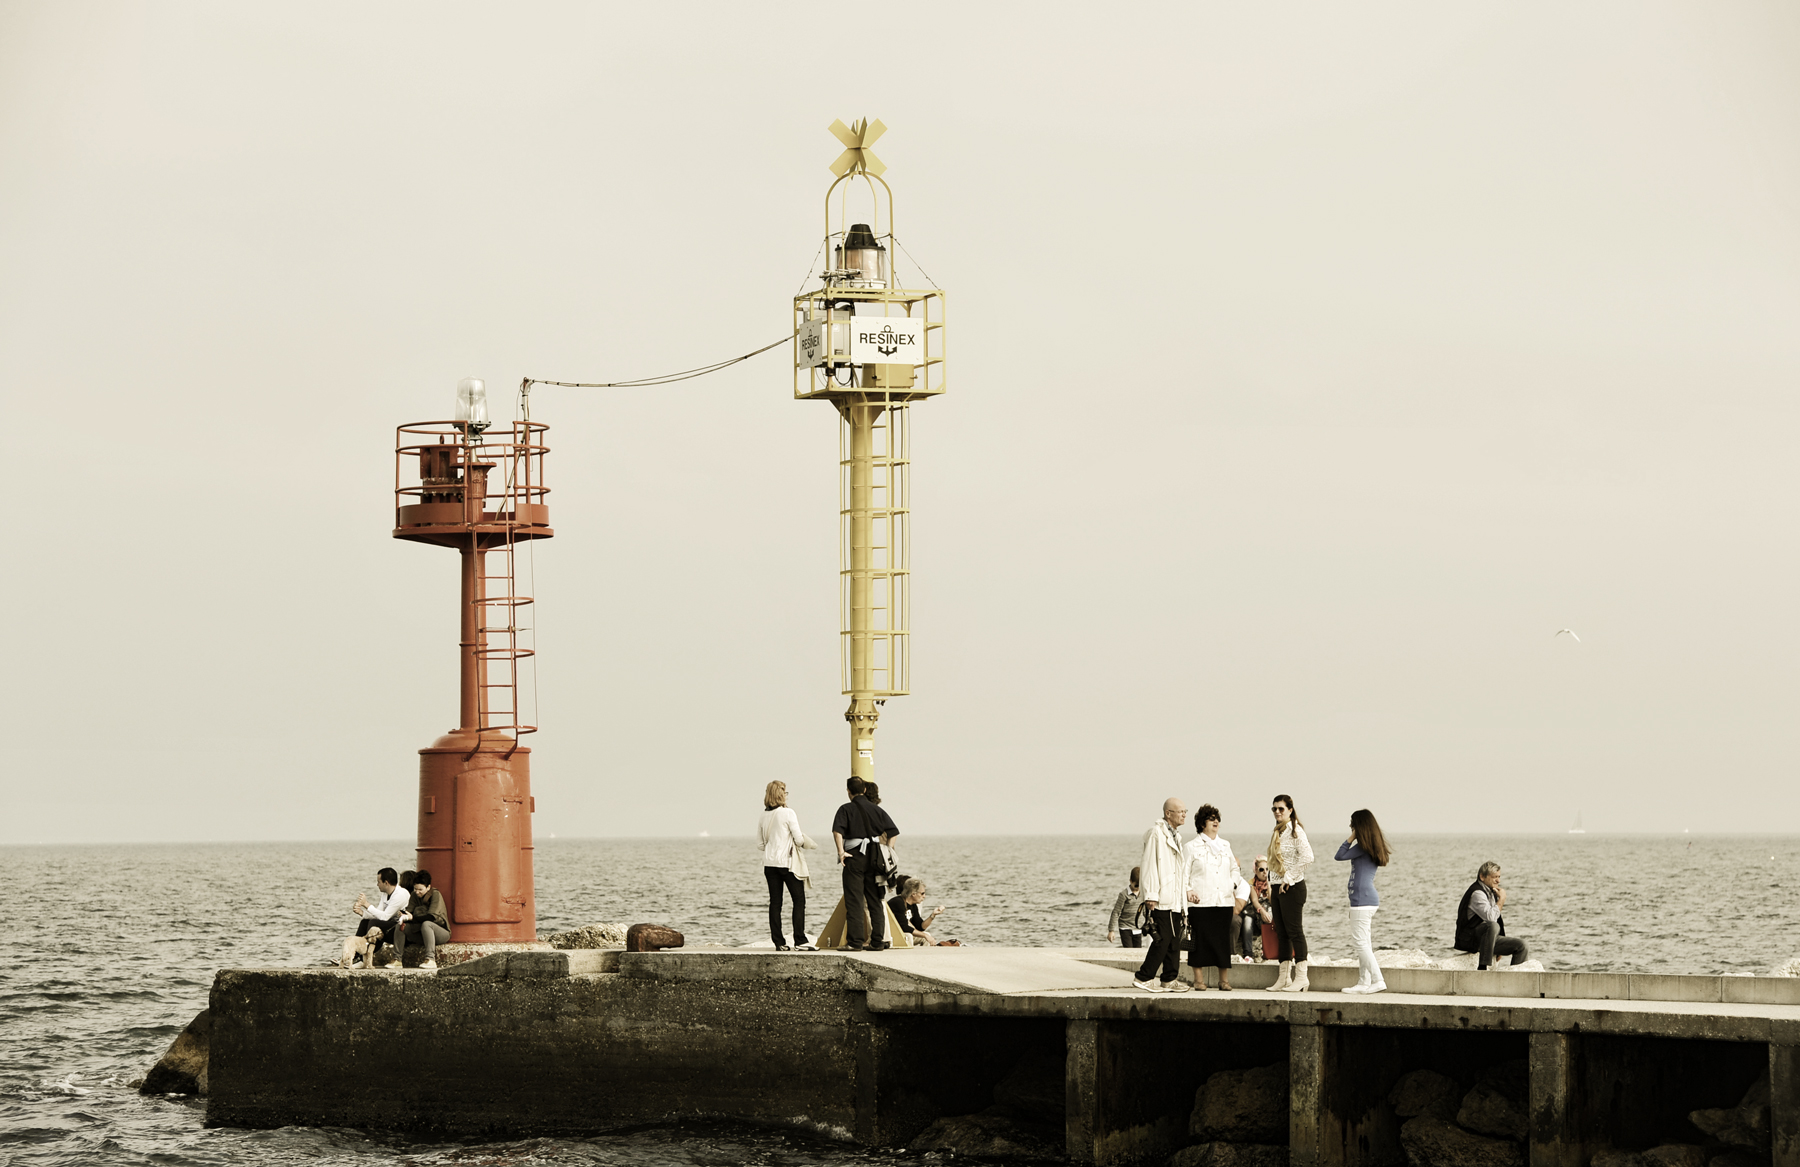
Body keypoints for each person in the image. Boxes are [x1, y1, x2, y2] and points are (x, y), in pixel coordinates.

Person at [1133, 797, 1193, 993]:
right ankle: (1144, 976)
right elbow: (1149, 864)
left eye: (1185, 811)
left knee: (1175, 940)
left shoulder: (1175, 835)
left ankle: (1169, 978)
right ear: (1169, 813)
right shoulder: (1156, 834)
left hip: (1175, 898)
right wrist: (1150, 894)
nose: (1184, 814)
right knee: (1163, 939)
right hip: (1161, 896)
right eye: (1181, 811)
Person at [832, 776, 899, 951]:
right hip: (875, 856)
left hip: (854, 856)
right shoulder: (877, 809)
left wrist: (841, 853)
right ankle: (878, 942)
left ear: (849, 791)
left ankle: (855, 943)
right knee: (875, 899)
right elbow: (893, 831)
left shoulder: (845, 809)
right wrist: (889, 850)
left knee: (854, 900)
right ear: (864, 791)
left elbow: (837, 831)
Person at [1182, 804, 1242, 991]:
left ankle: (1223, 980)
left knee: (1223, 942)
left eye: (1217, 818)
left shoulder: (1225, 845)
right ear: (1202, 823)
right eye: (1211, 818)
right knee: (1199, 942)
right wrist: (1188, 891)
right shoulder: (1191, 847)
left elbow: (1235, 869)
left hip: (1223, 901)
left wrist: (1231, 884)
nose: (1216, 821)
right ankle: (1198, 980)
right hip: (1200, 903)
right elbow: (1183, 875)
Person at [1334, 809, 1392, 994]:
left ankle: (1378, 980)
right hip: (1364, 900)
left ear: (1359, 826)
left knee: (1360, 943)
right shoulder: (1369, 846)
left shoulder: (1362, 847)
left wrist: (1351, 836)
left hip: (1362, 901)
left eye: (1353, 824)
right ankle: (1363, 982)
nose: (1351, 827)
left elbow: (1340, 855)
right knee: (1364, 943)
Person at [759, 780, 818, 951]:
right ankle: (799, 939)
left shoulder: (763, 816)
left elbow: (760, 845)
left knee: (775, 903)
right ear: (781, 794)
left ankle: (779, 942)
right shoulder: (788, 813)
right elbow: (799, 840)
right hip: (787, 864)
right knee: (799, 900)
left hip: (769, 864)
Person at [1263, 794, 1314, 993]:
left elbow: (1308, 857)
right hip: (1276, 888)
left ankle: (1301, 978)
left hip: (1292, 888)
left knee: (1295, 932)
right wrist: (1271, 884)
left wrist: (1288, 878)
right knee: (1282, 934)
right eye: (1274, 809)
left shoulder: (1295, 831)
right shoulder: (1278, 831)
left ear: (1290, 810)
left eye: (1281, 809)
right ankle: (1283, 978)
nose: (1277, 812)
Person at [1455, 861, 1530, 969]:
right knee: (1492, 925)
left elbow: (1498, 919)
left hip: (1487, 939)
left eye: (1499, 876)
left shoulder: (1490, 892)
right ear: (1482, 877)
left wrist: (1501, 946)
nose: (1498, 880)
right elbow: (1491, 918)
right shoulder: (1477, 893)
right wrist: (1502, 899)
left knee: (1522, 945)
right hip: (1470, 939)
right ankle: (1483, 967)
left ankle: (1514, 979)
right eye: (1494, 877)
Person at [346, 867, 410, 969]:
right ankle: (354, 956)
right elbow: (378, 915)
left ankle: (364, 959)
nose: (377, 885)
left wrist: (366, 904)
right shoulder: (385, 894)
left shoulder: (401, 895)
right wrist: (362, 913)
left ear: (386, 883)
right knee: (365, 922)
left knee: (374, 924)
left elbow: (384, 917)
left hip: (401, 931)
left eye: (378, 882)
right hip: (390, 925)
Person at [396, 870, 450, 970]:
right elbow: (409, 913)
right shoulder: (414, 895)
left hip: (440, 933)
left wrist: (412, 917)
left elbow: (431, 917)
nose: (417, 892)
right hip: (421, 933)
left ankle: (430, 959)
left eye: (420, 889)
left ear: (428, 887)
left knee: (426, 924)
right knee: (400, 924)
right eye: (415, 889)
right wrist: (403, 914)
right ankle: (397, 959)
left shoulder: (435, 894)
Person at [888, 875, 945, 945]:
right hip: (891, 935)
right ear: (913, 894)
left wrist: (933, 915)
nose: (924, 896)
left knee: (926, 936)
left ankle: (924, 955)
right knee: (909, 936)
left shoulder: (913, 905)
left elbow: (920, 927)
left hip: (903, 933)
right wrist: (924, 935)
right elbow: (904, 927)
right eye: (922, 893)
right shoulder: (898, 902)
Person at [1237, 856, 1273, 962]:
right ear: (1256, 870)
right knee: (1247, 920)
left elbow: (1272, 900)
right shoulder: (1251, 883)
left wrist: (1269, 885)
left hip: (1268, 909)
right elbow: (1255, 901)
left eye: (1267, 869)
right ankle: (1248, 954)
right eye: (1261, 869)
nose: (1264, 872)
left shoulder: (1272, 882)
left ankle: (1266, 950)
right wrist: (1262, 911)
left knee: (1270, 915)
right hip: (1255, 910)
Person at [1107, 867, 1145, 947]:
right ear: (1130, 881)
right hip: (1125, 927)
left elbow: (1145, 911)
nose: (1138, 888)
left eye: (1140, 886)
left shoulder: (1143, 894)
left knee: (1138, 951)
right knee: (1129, 950)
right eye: (1136, 886)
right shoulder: (1124, 895)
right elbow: (1116, 912)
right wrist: (1111, 930)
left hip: (1138, 928)